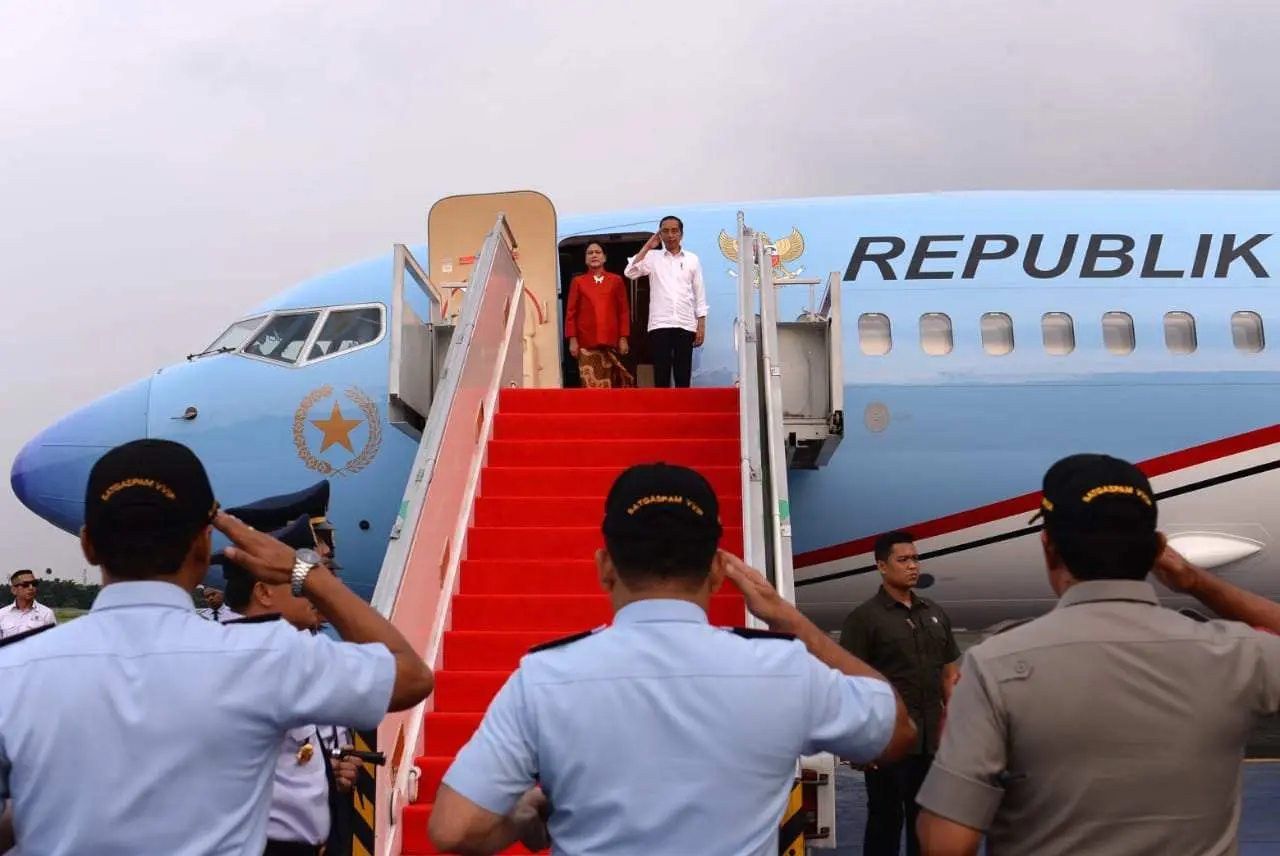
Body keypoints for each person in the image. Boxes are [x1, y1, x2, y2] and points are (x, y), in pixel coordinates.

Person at [428, 462, 917, 855]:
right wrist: (790, 619)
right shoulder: (782, 668)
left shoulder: (545, 678)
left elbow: (453, 830)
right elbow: (898, 732)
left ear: (604, 568)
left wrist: (524, 815)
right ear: (718, 571)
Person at [0, 438, 433, 856]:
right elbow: (411, 676)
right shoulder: (265, 657)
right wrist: (306, 574)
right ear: (206, 547)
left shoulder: (14, 670)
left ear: (88, 545)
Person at [915, 453, 1280, 856]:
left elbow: (946, 843)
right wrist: (1196, 582)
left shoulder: (993, 669)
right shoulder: (1238, 655)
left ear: (1049, 547)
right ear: (1158, 547)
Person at [220, 516, 361, 856]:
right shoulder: (230, 658)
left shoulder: (298, 647)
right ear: (264, 591)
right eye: (302, 582)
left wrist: (332, 771)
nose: (317, 590)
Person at [839, 531, 960, 856]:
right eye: (903, 560)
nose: (912, 566)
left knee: (927, 824)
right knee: (885, 823)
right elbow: (848, 681)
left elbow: (949, 672)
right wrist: (856, 741)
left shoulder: (933, 612)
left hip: (931, 742)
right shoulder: (865, 619)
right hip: (887, 743)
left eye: (915, 559)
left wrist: (954, 730)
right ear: (881, 566)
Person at [624, 216, 708, 388]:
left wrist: (701, 324)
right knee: (661, 374)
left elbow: (699, 293)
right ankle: (664, 413)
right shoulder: (653, 257)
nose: (670, 235)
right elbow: (630, 271)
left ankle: (683, 412)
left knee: (682, 374)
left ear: (681, 234)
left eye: (674, 231)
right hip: (659, 324)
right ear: (660, 234)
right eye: (665, 231)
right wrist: (647, 247)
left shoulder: (692, 259)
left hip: (685, 323)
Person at [566, 242, 633, 389]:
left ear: (604, 257)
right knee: (590, 386)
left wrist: (623, 337)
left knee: (615, 385)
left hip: (611, 342)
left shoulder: (616, 280)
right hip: (586, 342)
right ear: (585, 259)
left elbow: (623, 311)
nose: (594, 255)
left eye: (598, 252)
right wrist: (572, 339)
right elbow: (571, 312)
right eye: (590, 253)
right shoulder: (578, 282)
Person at [0, 570, 56, 638]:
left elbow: (51, 642)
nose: (31, 588)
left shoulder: (46, 614)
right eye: (25, 585)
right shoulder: (2, 614)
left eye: (34, 584)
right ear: (14, 590)